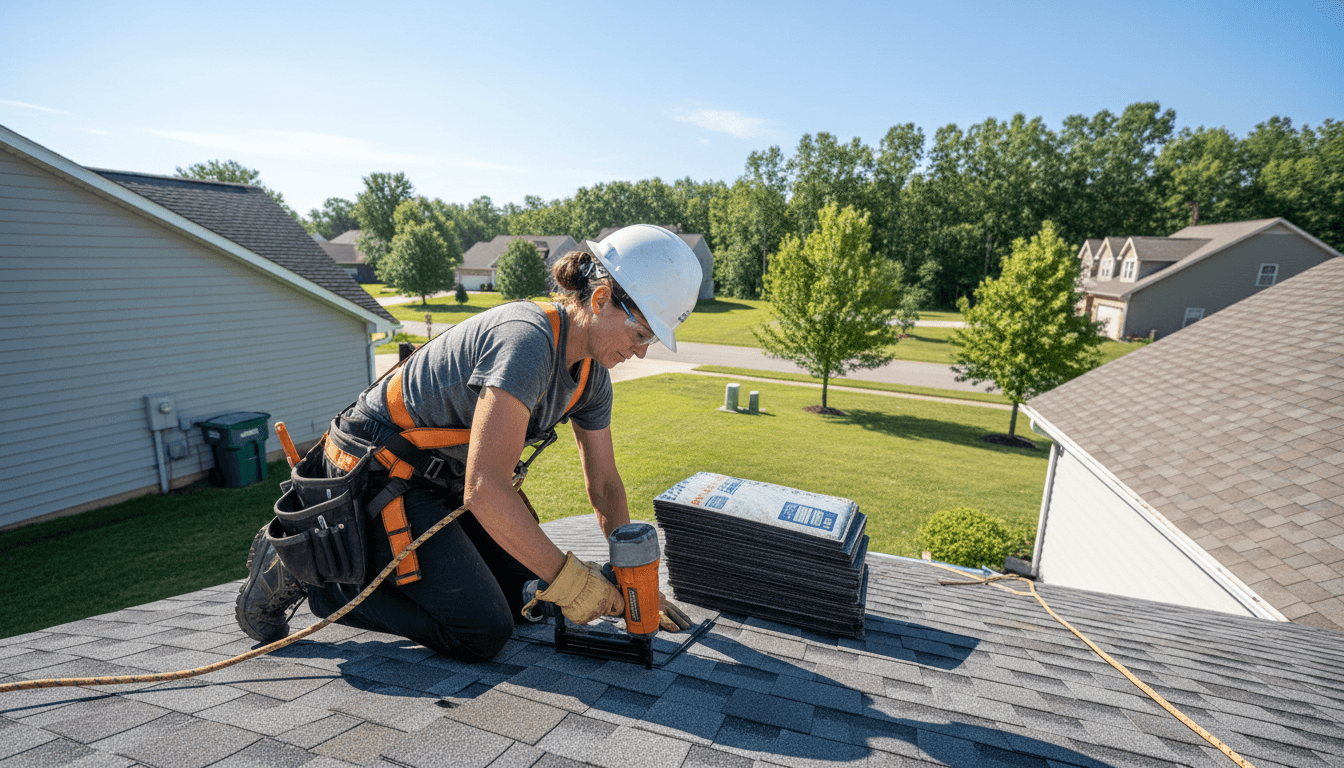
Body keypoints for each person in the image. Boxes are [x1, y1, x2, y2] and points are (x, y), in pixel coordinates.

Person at [235, 225, 702, 662]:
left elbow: (605, 485)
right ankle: (314, 573)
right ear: (601, 299)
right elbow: (485, 488)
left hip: (441, 481)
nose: (641, 350)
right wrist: (574, 585)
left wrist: (630, 574)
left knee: (528, 594)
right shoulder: (527, 341)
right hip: (375, 477)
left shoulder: (591, 378)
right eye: (641, 334)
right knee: (482, 631)